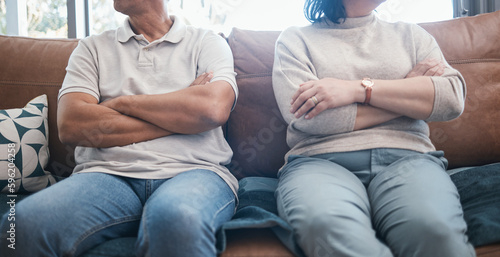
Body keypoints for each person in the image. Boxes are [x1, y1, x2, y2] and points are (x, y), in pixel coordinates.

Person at [0, 0, 238, 256]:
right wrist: (182, 114)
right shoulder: (92, 48)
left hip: (195, 171)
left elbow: (213, 109)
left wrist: (123, 103)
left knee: (176, 220)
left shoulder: (207, 42)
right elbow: (71, 125)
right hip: (107, 175)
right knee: (23, 223)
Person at [272, 0, 475, 256]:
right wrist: (408, 90)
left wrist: (356, 89)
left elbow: (451, 98)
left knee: (434, 230)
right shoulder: (295, 40)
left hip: (408, 159)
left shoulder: (411, 35)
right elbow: (310, 118)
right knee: (325, 226)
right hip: (320, 163)